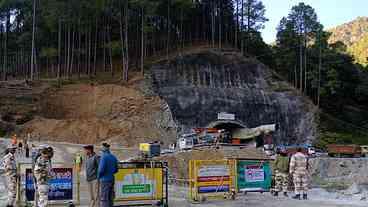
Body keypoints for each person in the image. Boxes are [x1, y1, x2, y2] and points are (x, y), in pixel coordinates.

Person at [97, 143, 118, 207]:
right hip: (111, 179)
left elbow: (101, 170)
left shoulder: (103, 157)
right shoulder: (114, 157)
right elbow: (116, 170)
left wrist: (98, 176)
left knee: (104, 198)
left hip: (104, 180)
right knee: (110, 198)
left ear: (103, 150)